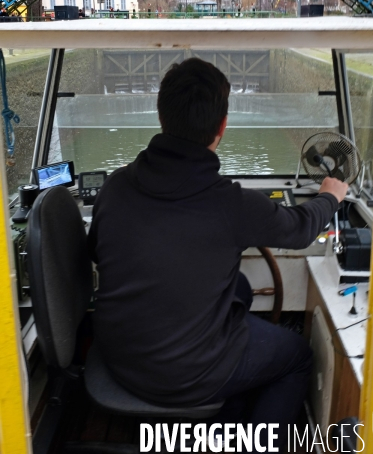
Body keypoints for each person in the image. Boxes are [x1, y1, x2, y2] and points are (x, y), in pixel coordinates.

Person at [88, 57, 348, 453]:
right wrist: (330, 195)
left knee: (239, 287)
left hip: (120, 358)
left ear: (162, 118)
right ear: (221, 128)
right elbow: (299, 228)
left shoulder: (115, 188)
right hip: (188, 375)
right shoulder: (233, 205)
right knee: (296, 356)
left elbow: (97, 254)